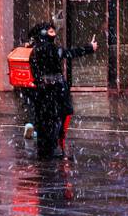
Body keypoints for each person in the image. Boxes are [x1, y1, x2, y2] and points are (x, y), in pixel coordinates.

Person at [29, 22, 98, 159]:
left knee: (47, 121)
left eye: (53, 29)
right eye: (48, 30)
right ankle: (54, 147)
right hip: (54, 92)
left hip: (45, 92)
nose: (52, 31)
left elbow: (36, 74)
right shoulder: (48, 49)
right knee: (56, 120)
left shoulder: (36, 50)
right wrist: (89, 48)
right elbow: (69, 53)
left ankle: (48, 149)